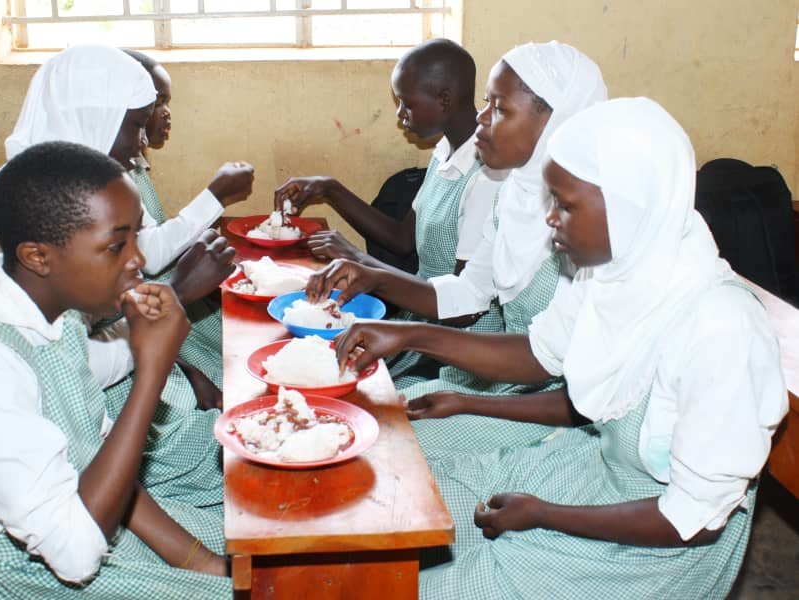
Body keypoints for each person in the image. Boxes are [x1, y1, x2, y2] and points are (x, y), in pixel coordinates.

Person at [329, 98, 787, 599]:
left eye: (566, 205)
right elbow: (539, 355)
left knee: (430, 587)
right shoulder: (611, 272)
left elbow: (693, 520)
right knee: (399, 503)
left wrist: (545, 514)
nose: (549, 219)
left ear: (631, 206)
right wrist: (411, 335)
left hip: (656, 547)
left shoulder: (720, 327)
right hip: (590, 470)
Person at [0, 141, 232, 597]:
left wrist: (205, 563)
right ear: (38, 257)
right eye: (116, 245)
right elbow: (75, 556)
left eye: (135, 237)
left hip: (87, 517)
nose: (138, 260)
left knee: (251, 556)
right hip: (20, 576)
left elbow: (97, 457)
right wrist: (150, 372)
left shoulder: (52, 312)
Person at [307, 42, 607, 458]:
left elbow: (560, 371)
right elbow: (468, 291)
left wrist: (414, 338)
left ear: (556, 120)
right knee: (355, 418)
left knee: (377, 447)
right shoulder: (514, 198)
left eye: (499, 109)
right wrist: (373, 277)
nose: (481, 118)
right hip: (502, 381)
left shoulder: (593, 231)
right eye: (487, 103)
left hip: (550, 407)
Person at [0, 44, 253, 391]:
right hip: (97, 382)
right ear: (98, 120)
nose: (141, 143)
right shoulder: (35, 206)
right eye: (137, 125)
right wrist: (176, 293)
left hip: (122, 338)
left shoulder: (100, 184)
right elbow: (70, 368)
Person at [275, 38, 503, 386]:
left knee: (347, 385)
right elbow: (402, 239)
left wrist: (358, 259)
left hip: (461, 346)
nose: (400, 116)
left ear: (444, 99)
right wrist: (330, 189)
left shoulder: (486, 176)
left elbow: (463, 309)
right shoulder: (446, 150)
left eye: (406, 104)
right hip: (423, 322)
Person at [119, 49, 227, 396]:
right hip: (133, 323)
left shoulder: (127, 166)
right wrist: (216, 195)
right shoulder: (93, 186)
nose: (165, 114)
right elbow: (149, 256)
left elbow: (147, 243)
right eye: (156, 105)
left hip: (143, 312)